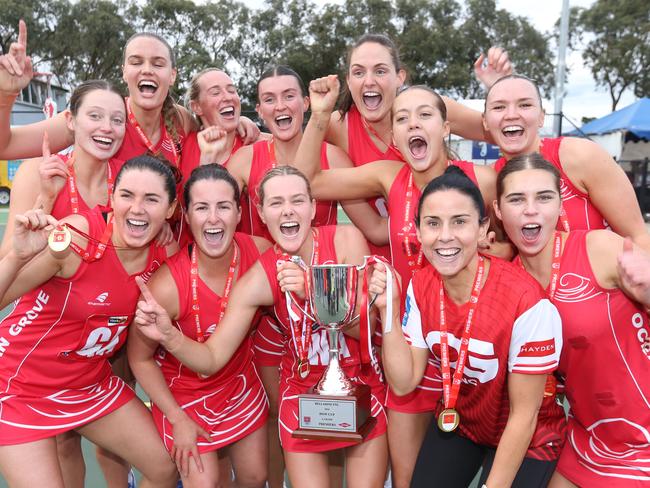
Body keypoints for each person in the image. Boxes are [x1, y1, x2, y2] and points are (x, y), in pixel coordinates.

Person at [296, 74, 509, 487]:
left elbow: (510, 250)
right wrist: (319, 116)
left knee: (487, 465)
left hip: (471, 346)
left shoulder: (481, 181)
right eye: (403, 118)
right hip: (410, 346)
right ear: (393, 133)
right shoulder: (388, 175)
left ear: (445, 127)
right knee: (412, 477)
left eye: (425, 115)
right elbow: (310, 183)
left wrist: (487, 249)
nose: (413, 124)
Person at [134, 166, 388, 488]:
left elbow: (365, 330)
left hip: (361, 385)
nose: (287, 211)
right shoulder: (261, 276)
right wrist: (170, 336)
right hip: (303, 399)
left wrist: (312, 291)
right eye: (276, 203)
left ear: (312, 207)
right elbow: (212, 358)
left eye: (297, 200)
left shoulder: (345, 239)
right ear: (261, 214)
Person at [370, 165, 565, 487]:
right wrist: (389, 312)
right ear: (418, 232)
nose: (445, 236)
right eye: (433, 223)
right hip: (464, 423)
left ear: (482, 229)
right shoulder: (421, 286)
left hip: (529, 435)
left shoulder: (527, 302)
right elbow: (404, 383)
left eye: (459, 222)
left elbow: (524, 416)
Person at [0, 155, 179, 488]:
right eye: (127, 195)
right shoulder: (76, 236)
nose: (137, 208)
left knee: (167, 466)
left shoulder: (164, 254)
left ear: (169, 210)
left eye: (152, 199)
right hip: (19, 387)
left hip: (88, 383)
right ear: (112, 198)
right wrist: (18, 256)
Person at [493, 152, 650, 487]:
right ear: (497, 210)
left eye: (544, 197)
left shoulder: (599, 248)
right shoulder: (508, 283)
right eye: (517, 199)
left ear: (560, 208)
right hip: (588, 436)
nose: (531, 209)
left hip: (644, 438)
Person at [128, 164, 270, 488]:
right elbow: (139, 359)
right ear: (188, 217)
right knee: (204, 484)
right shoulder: (166, 286)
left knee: (255, 477)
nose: (213, 218)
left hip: (239, 383)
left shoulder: (260, 255)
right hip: (184, 396)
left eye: (223, 206)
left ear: (238, 212)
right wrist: (177, 419)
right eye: (202, 208)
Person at [325, 34, 511, 258]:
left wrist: (502, 90)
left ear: (399, 76)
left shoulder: (433, 108)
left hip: (446, 251)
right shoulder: (337, 124)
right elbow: (292, 155)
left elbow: (505, 133)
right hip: (384, 265)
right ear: (349, 80)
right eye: (359, 72)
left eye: (380, 70)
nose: (369, 80)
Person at [0, 22, 259, 165]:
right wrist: (5, 95)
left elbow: (212, 127)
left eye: (158, 64)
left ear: (172, 75)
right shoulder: (97, 119)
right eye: (136, 62)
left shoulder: (181, 121)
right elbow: (6, 145)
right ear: (124, 72)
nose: (147, 70)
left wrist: (240, 123)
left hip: (168, 257)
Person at [206, 65, 385, 245]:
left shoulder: (333, 158)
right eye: (269, 100)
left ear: (306, 102)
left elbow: (375, 230)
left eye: (289, 96)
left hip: (316, 270)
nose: (280, 106)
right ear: (259, 111)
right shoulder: (244, 160)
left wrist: (412, 222)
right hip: (263, 269)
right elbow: (212, 213)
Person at [483, 74, 650, 249]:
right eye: (499, 107)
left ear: (541, 116)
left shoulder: (580, 155)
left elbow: (638, 238)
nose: (511, 115)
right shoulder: (490, 180)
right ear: (485, 122)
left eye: (524, 105)